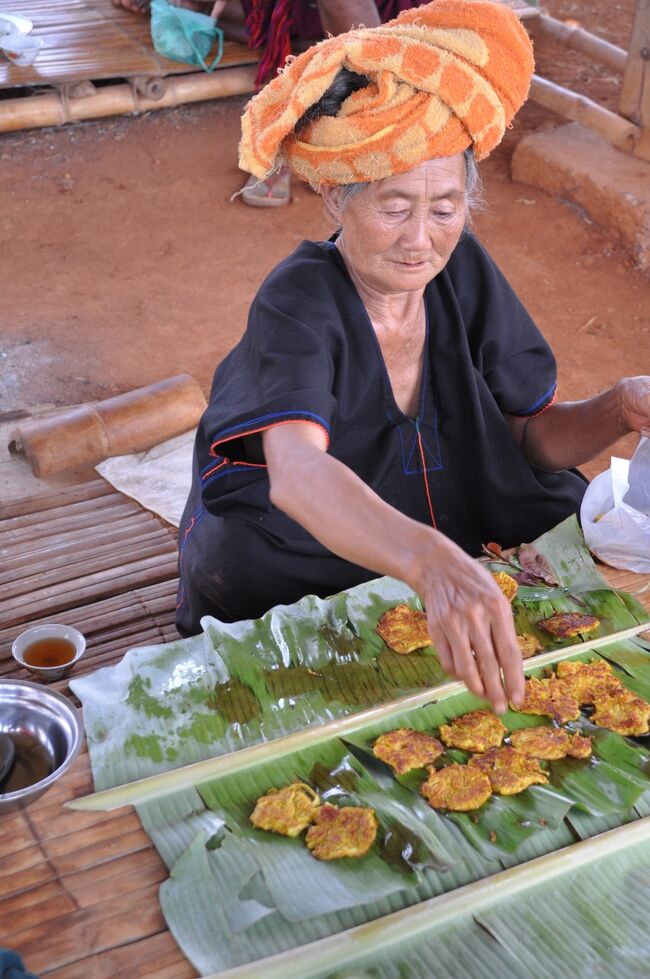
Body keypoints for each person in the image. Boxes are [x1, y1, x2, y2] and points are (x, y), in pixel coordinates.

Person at [176, 0, 650, 715]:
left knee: (559, 503)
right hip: (326, 538)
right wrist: (430, 562)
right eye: (394, 207)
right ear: (337, 195)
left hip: (453, 514)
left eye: (446, 208)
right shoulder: (299, 299)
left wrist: (619, 406)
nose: (420, 240)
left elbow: (532, 436)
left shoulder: (462, 273)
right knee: (249, 572)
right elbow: (299, 474)